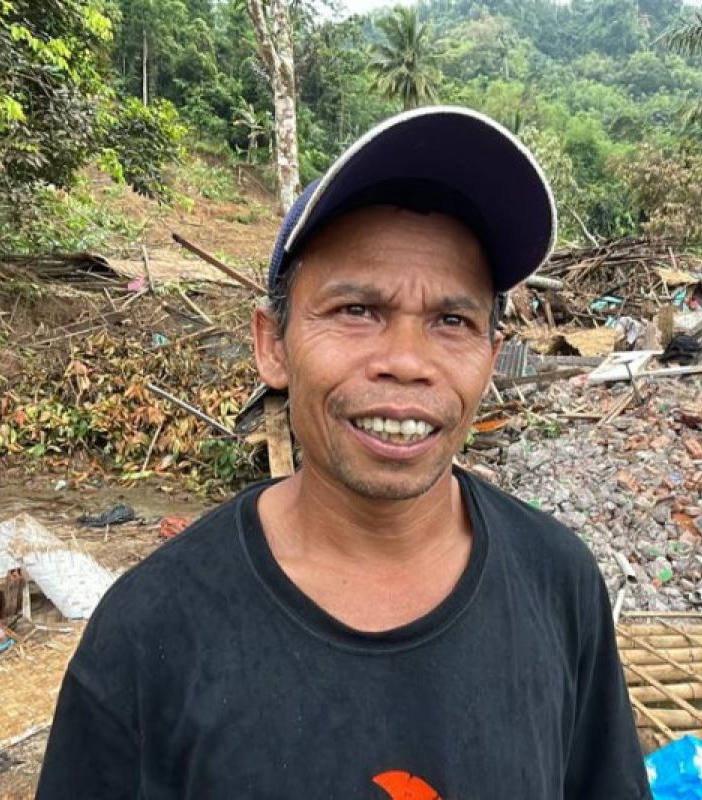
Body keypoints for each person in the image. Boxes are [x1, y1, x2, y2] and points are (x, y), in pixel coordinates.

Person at [36, 106, 650, 799]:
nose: (407, 363)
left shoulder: (558, 584)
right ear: (273, 344)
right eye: (357, 311)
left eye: (452, 321)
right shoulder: (150, 635)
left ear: (492, 355)